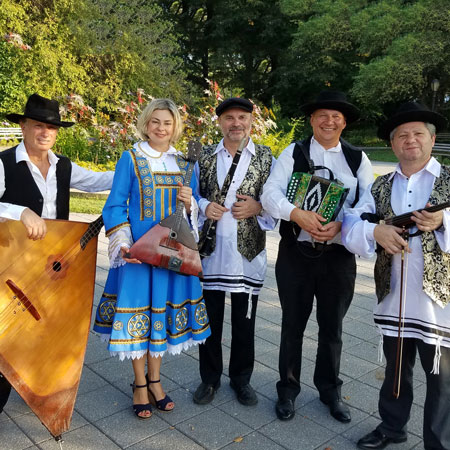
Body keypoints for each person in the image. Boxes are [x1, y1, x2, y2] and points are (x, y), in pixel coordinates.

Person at [93, 98, 211, 419]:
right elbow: (115, 205)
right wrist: (124, 245)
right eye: (156, 121)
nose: (161, 128)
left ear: (175, 128)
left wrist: (190, 204)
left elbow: (193, 211)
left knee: (160, 319)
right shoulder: (130, 158)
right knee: (138, 318)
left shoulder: (186, 165)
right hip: (139, 255)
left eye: (168, 123)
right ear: (146, 124)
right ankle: (139, 383)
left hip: (171, 255)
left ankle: (156, 381)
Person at [342, 102, 450, 450]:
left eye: (418, 133)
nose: (410, 140)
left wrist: (443, 221)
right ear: (393, 145)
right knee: (395, 373)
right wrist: (376, 234)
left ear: (432, 140)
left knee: (442, 380)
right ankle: (392, 427)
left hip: (441, 303)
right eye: (402, 135)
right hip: (395, 297)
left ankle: (439, 442)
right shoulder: (380, 185)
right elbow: (352, 224)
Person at [261, 91, 373, 422]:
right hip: (296, 251)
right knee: (292, 324)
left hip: (338, 256)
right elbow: (269, 193)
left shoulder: (357, 158)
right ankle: (288, 390)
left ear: (345, 122)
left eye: (336, 116)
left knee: (332, 327)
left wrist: (341, 226)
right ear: (312, 120)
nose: (329, 120)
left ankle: (329, 390)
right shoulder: (292, 152)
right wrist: (296, 214)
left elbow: (369, 204)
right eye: (322, 115)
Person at [0, 93, 114, 413]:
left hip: (49, 268)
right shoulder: (4, 164)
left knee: (39, 331)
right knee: (5, 337)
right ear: (23, 125)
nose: (45, 132)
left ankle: (33, 384)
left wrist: (138, 167)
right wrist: (19, 211)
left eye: (51, 127)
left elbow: (98, 181)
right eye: (38, 125)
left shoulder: (63, 166)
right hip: (11, 264)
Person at [193, 97, 276, 406]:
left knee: (245, 323)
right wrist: (203, 205)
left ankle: (241, 379)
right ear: (220, 122)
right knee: (209, 320)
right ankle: (209, 379)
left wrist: (257, 206)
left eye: (242, 117)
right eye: (229, 118)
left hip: (247, 255)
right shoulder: (203, 156)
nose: (236, 123)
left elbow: (276, 199)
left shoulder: (267, 158)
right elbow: (190, 194)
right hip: (210, 253)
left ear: (251, 121)